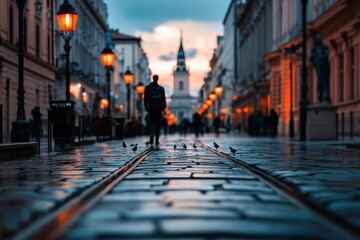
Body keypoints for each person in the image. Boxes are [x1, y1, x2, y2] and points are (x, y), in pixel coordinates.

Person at [144, 75, 166, 145]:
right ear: (157, 79)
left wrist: (146, 107)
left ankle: (151, 136)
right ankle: (156, 139)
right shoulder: (161, 88)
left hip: (151, 109)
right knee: (158, 124)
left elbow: (145, 99)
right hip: (158, 109)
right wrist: (163, 108)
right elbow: (164, 100)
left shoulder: (148, 88)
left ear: (152, 79)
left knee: (151, 123)